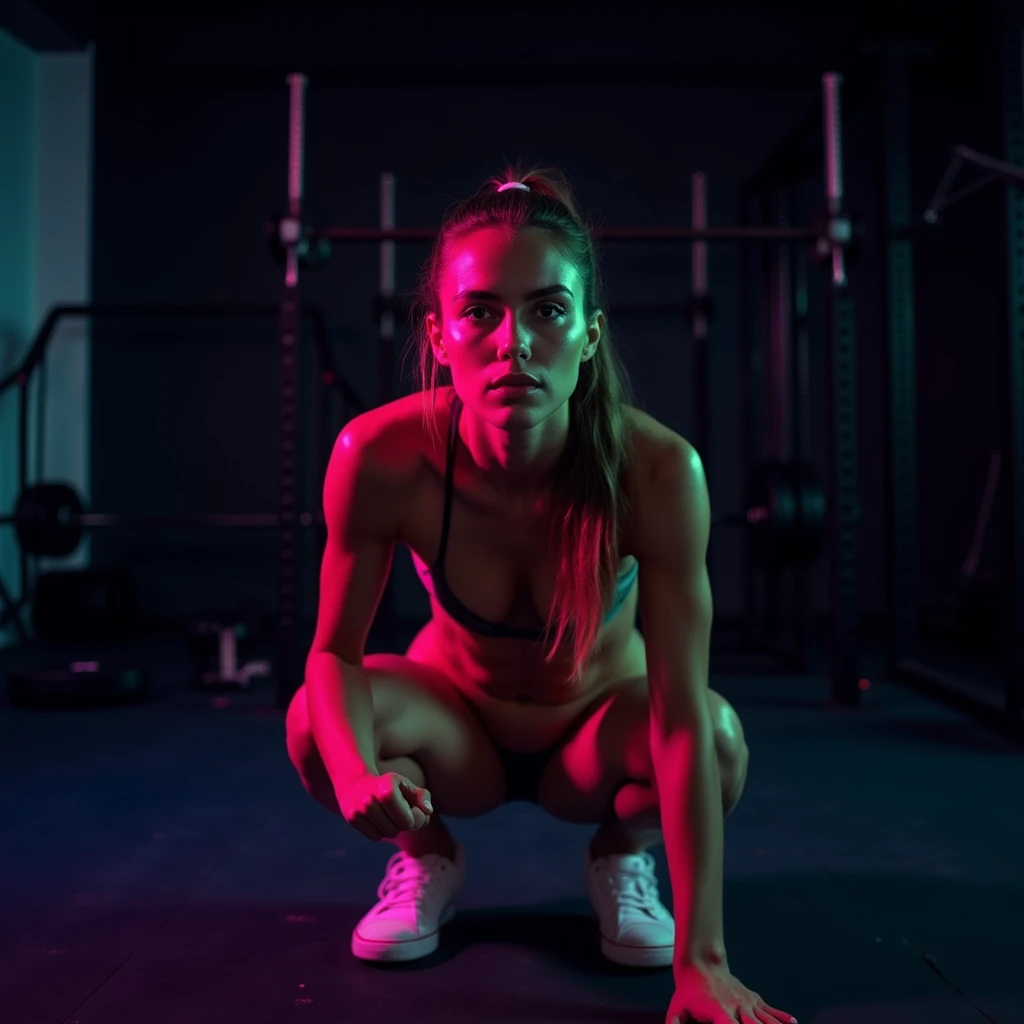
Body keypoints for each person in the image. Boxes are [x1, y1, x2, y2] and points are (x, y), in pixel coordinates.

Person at [285, 167, 795, 1024]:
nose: (513, 342)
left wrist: (701, 963)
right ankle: (428, 855)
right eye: (480, 311)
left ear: (589, 334)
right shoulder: (378, 455)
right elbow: (333, 652)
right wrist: (353, 775)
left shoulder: (660, 472)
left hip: (593, 743)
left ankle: (623, 855)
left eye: (547, 310)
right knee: (315, 719)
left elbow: (673, 711)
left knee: (716, 736)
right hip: (459, 738)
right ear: (441, 333)